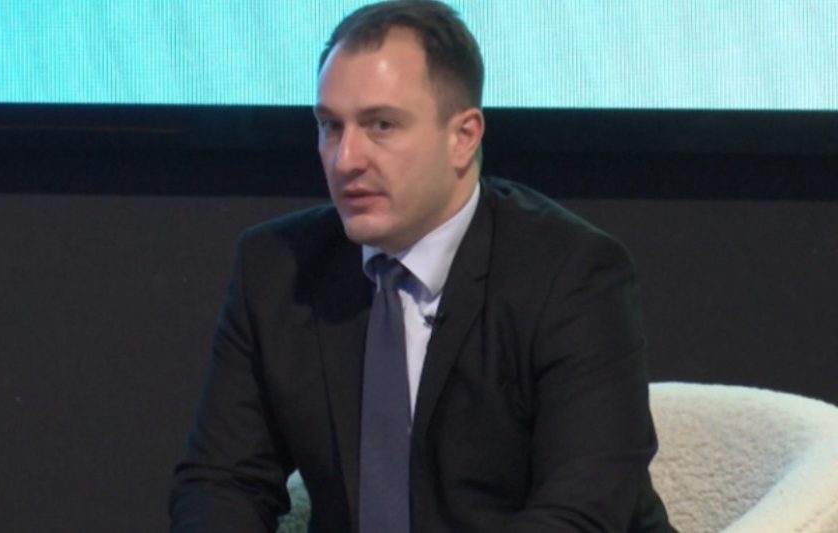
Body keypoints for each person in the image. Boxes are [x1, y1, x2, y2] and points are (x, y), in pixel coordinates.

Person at [170, 1, 673, 531]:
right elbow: (223, 481)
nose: (345, 159)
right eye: (330, 126)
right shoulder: (277, 269)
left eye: (381, 125)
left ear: (463, 137)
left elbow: (581, 511)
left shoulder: (571, 274)